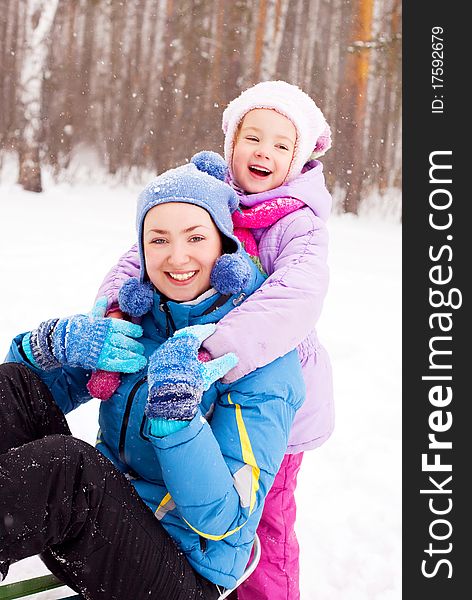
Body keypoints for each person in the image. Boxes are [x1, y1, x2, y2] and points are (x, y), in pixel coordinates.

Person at [0, 153, 305, 600]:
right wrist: (46, 347)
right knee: (14, 385)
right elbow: (20, 402)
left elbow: (225, 519)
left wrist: (176, 422)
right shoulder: (138, 319)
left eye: (195, 237)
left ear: (224, 246)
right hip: (104, 534)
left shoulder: (258, 354)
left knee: (69, 467)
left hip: (185, 570)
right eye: (158, 240)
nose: (176, 257)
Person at [88, 80, 334, 600]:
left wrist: (211, 352)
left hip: (271, 400)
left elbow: (294, 298)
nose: (263, 151)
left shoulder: (298, 224)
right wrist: (112, 313)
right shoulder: (206, 196)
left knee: (263, 523)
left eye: (281, 144)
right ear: (231, 143)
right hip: (193, 384)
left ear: (299, 157)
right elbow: (137, 257)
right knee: (191, 498)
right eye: (253, 136)